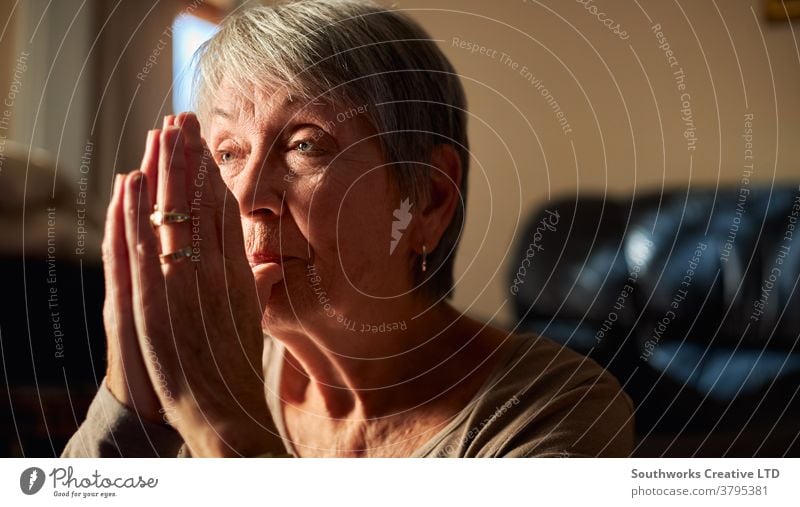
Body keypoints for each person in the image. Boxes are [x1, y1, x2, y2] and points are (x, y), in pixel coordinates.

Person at [62, 0, 634, 458]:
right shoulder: (203, 358)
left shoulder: (553, 411)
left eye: (305, 145)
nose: (248, 197)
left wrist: (224, 423)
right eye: (229, 153)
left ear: (428, 199)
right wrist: (131, 398)